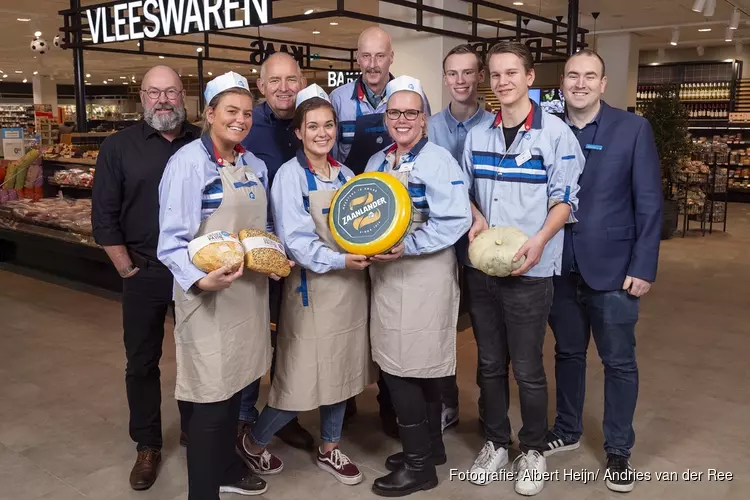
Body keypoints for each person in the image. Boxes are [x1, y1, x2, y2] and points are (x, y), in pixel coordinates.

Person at [461, 41, 584, 496]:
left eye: (512, 73)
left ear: (530, 78)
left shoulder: (554, 134)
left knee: (528, 367)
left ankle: (532, 449)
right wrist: (475, 216)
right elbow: (466, 189)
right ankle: (496, 441)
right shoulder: (479, 135)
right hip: (485, 268)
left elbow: (565, 198)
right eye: (495, 74)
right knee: (490, 364)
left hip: (532, 269)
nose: (503, 81)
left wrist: (539, 241)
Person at [238, 84, 376, 485]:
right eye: (312, 126)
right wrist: (341, 260)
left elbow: (363, 223)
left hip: (350, 288)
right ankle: (254, 440)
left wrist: (378, 246)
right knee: (299, 378)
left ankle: (330, 446)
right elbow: (295, 243)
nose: (322, 133)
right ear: (298, 132)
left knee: (343, 370)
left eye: (328, 125)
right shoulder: (289, 177)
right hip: (310, 289)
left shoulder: (347, 175)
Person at [544, 49, 662, 494]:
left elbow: (649, 202)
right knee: (568, 354)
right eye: (572, 76)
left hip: (614, 269)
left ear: (603, 83)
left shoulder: (632, 129)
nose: (579, 83)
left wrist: (644, 265)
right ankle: (568, 428)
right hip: (559, 264)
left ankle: (618, 450)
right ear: (562, 83)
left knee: (619, 361)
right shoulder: (548, 129)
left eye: (589, 76)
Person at [157, 71, 277, 499]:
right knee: (210, 397)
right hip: (207, 298)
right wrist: (201, 280)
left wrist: (273, 255)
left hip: (247, 296)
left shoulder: (254, 165)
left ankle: (227, 466)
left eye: (247, 113)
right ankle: (202, 491)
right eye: (231, 111)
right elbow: (170, 244)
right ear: (209, 114)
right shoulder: (188, 164)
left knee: (236, 387)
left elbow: (259, 229)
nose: (241, 120)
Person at [91, 65, 199, 491]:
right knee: (142, 362)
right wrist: (124, 266)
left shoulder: (203, 142)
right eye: (154, 93)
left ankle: (195, 428)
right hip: (145, 271)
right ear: (141, 96)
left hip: (196, 270)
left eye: (171, 91)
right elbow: (104, 216)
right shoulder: (118, 148)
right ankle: (148, 444)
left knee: (198, 354)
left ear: (183, 95)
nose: (163, 100)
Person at [364, 76, 472, 497]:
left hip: (424, 276)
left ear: (424, 120)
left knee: (406, 368)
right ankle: (430, 448)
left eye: (411, 112)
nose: (403, 119)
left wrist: (407, 246)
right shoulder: (377, 162)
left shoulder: (439, 161)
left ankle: (419, 467)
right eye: (395, 112)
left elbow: (456, 219)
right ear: (386, 118)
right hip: (389, 278)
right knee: (412, 366)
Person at [238, 52, 315, 451]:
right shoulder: (246, 128)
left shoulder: (311, 122)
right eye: (274, 81)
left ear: (301, 81)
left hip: (306, 257)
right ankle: (244, 419)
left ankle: (287, 412)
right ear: (261, 86)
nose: (284, 88)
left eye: (291, 80)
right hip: (260, 257)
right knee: (253, 341)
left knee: (293, 338)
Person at [427, 43, 494, 434]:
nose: (460, 80)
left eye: (468, 72)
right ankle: (446, 404)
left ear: (480, 76)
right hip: (437, 247)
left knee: (487, 334)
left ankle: (490, 413)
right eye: (453, 73)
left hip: (479, 244)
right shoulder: (428, 126)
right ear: (445, 77)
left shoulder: (496, 127)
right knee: (439, 332)